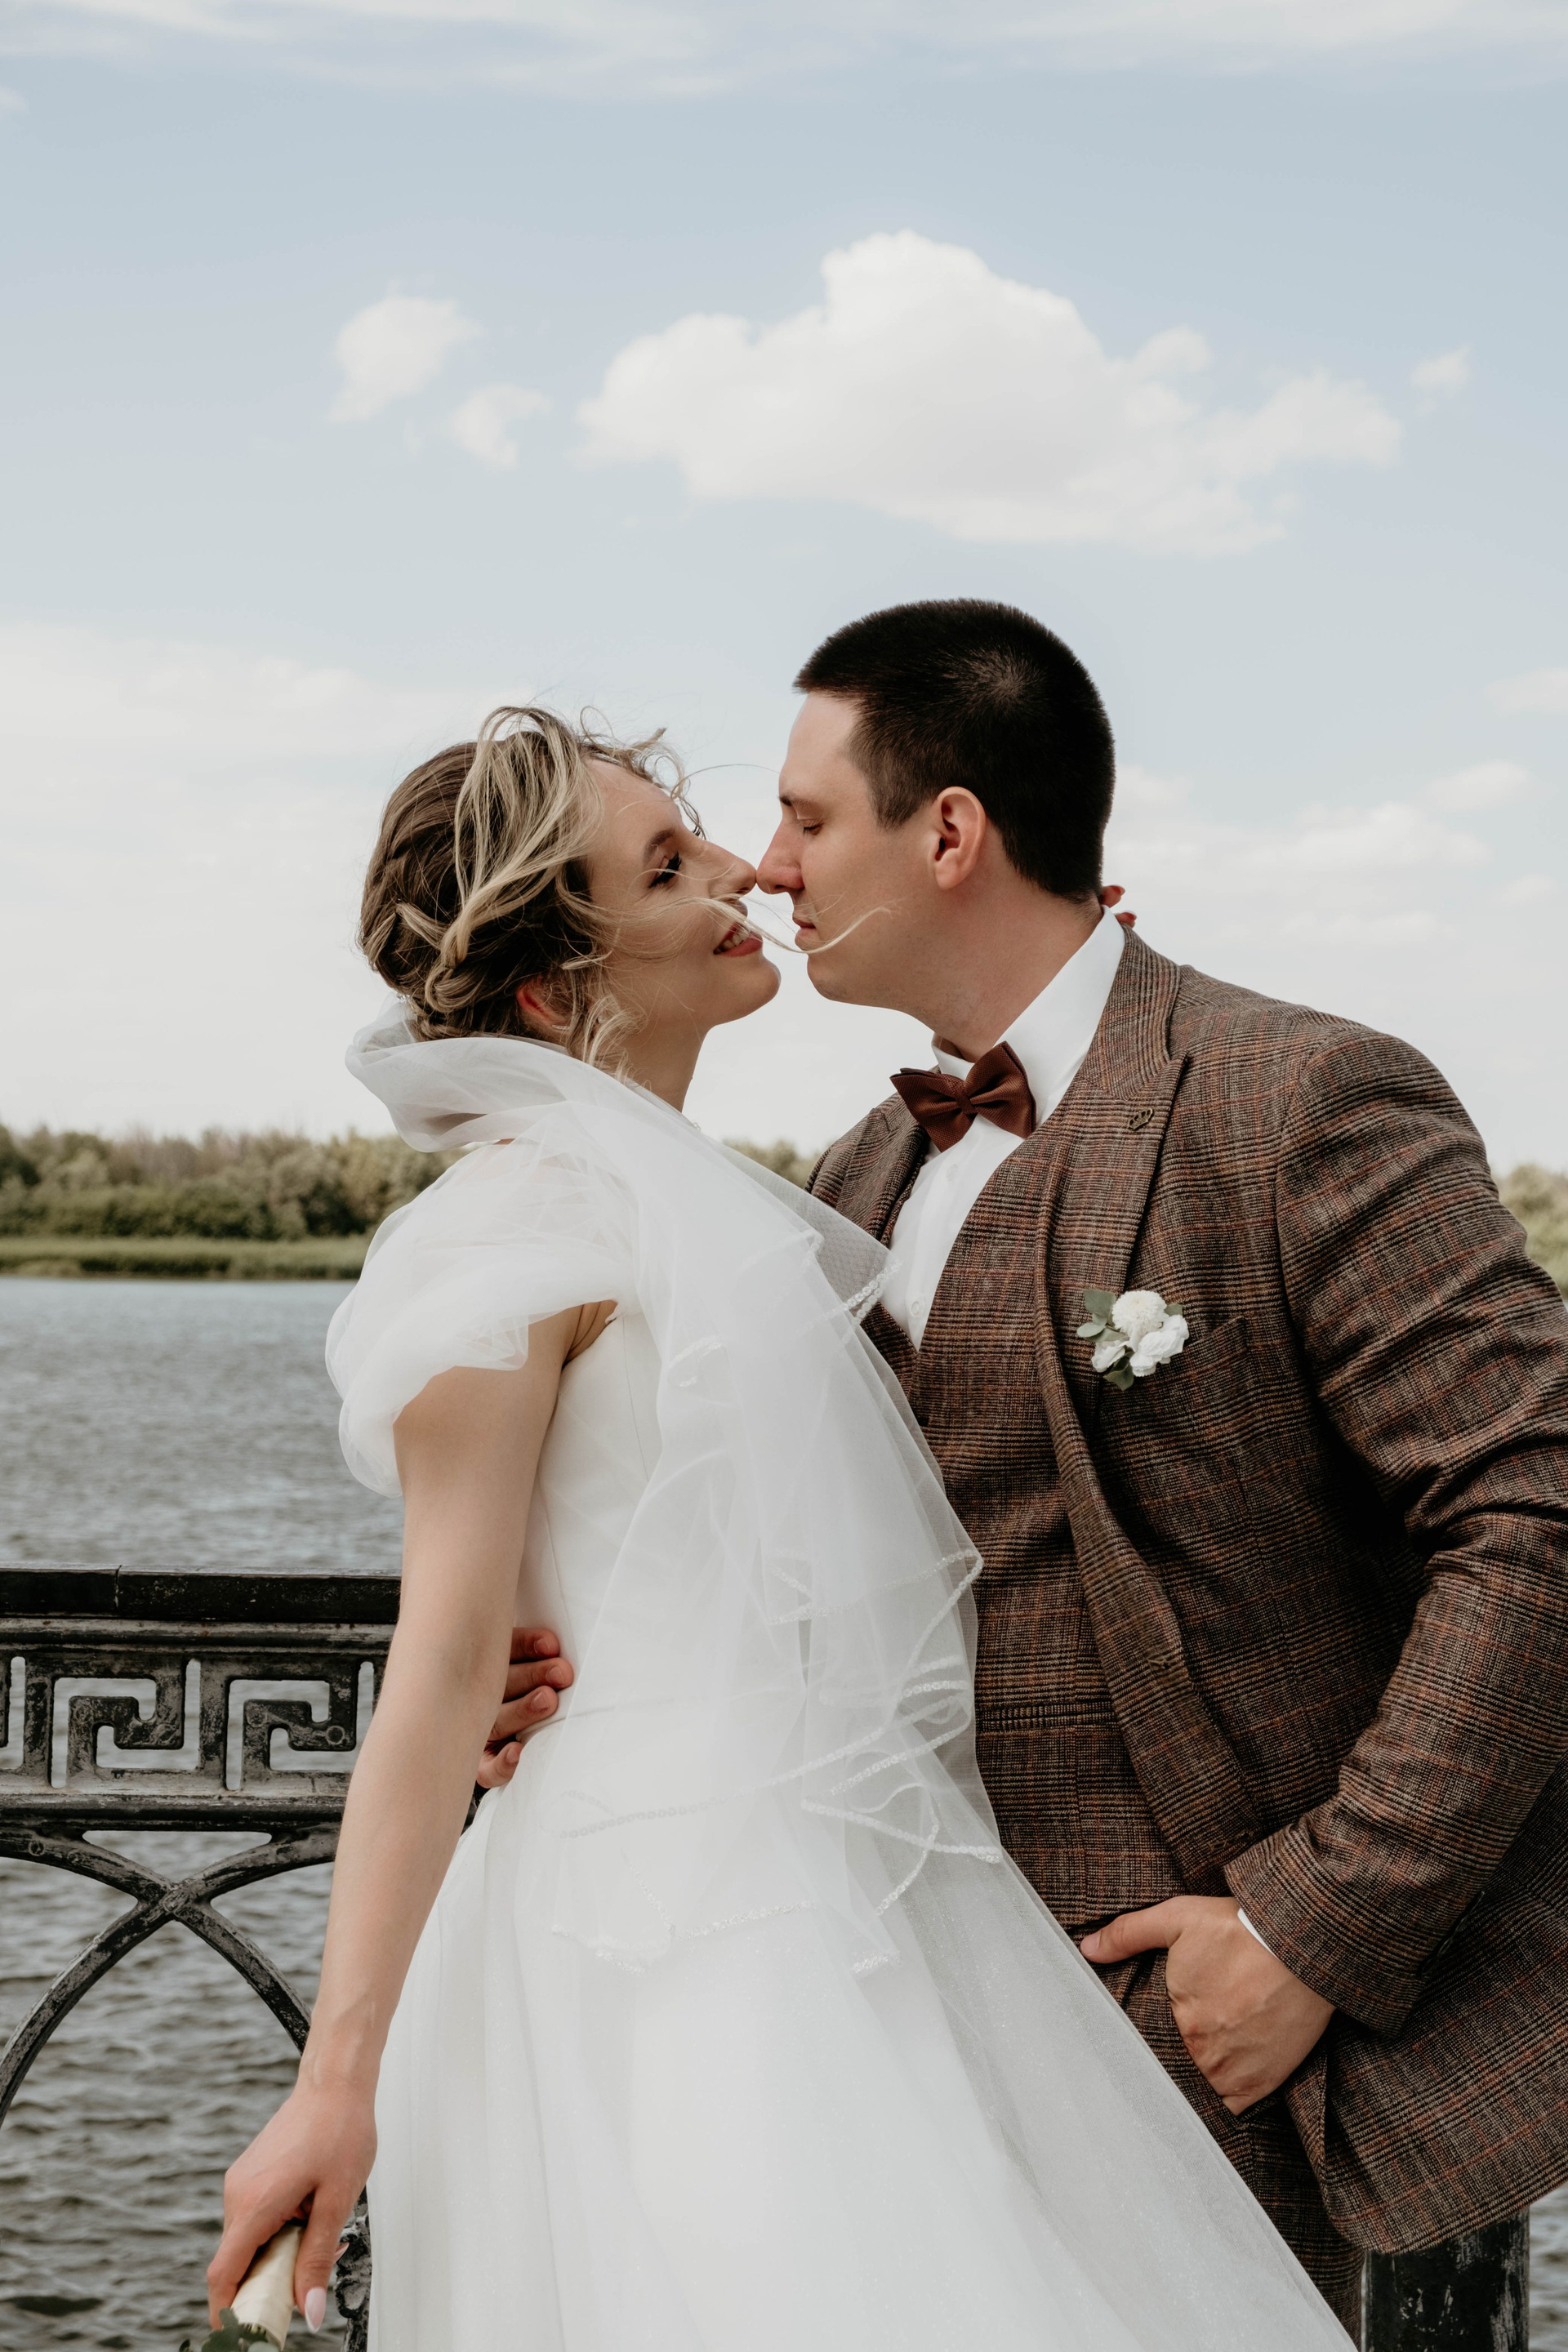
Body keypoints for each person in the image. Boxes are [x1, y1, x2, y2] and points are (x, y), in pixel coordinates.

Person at [207, 706, 1349, 2349]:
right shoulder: (507, 1239)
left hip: (864, 1897)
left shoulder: (735, 1201)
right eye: (666, 866)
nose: (744, 871)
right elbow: (443, 1661)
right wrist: (337, 2085)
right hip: (652, 1938)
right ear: (550, 992)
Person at [747, 599, 1568, 2329]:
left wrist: (1310, 1931)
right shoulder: (860, 1170)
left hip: (1189, 2043)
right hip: (876, 2022)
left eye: (807, 817)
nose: (769, 866)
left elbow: (1537, 1514)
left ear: (950, 831)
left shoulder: (1299, 1096)